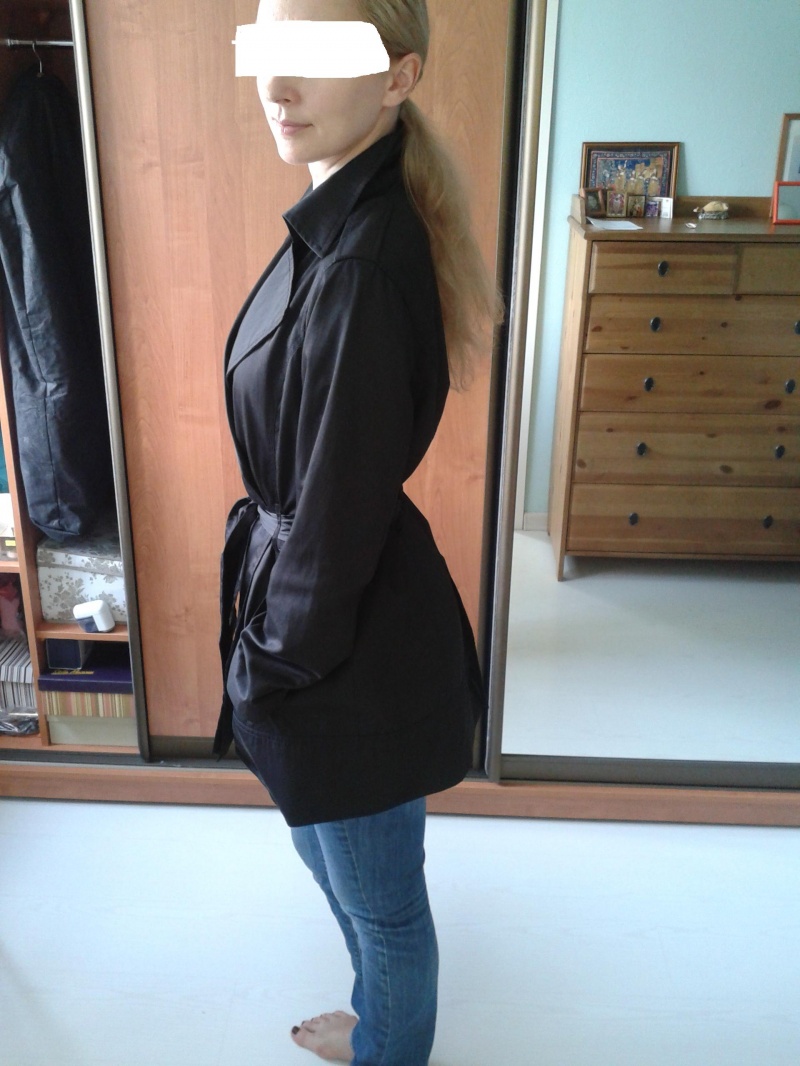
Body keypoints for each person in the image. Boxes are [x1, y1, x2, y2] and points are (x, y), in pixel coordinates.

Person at [213, 0, 501, 1062]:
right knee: (338, 866)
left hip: (340, 641)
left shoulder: (361, 263)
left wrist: (269, 665)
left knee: (382, 907)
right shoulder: (342, 214)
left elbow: (335, 519)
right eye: (266, 52)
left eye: (317, 56)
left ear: (398, 75)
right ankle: (379, 1019)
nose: (276, 86)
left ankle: (387, 1044)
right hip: (321, 618)